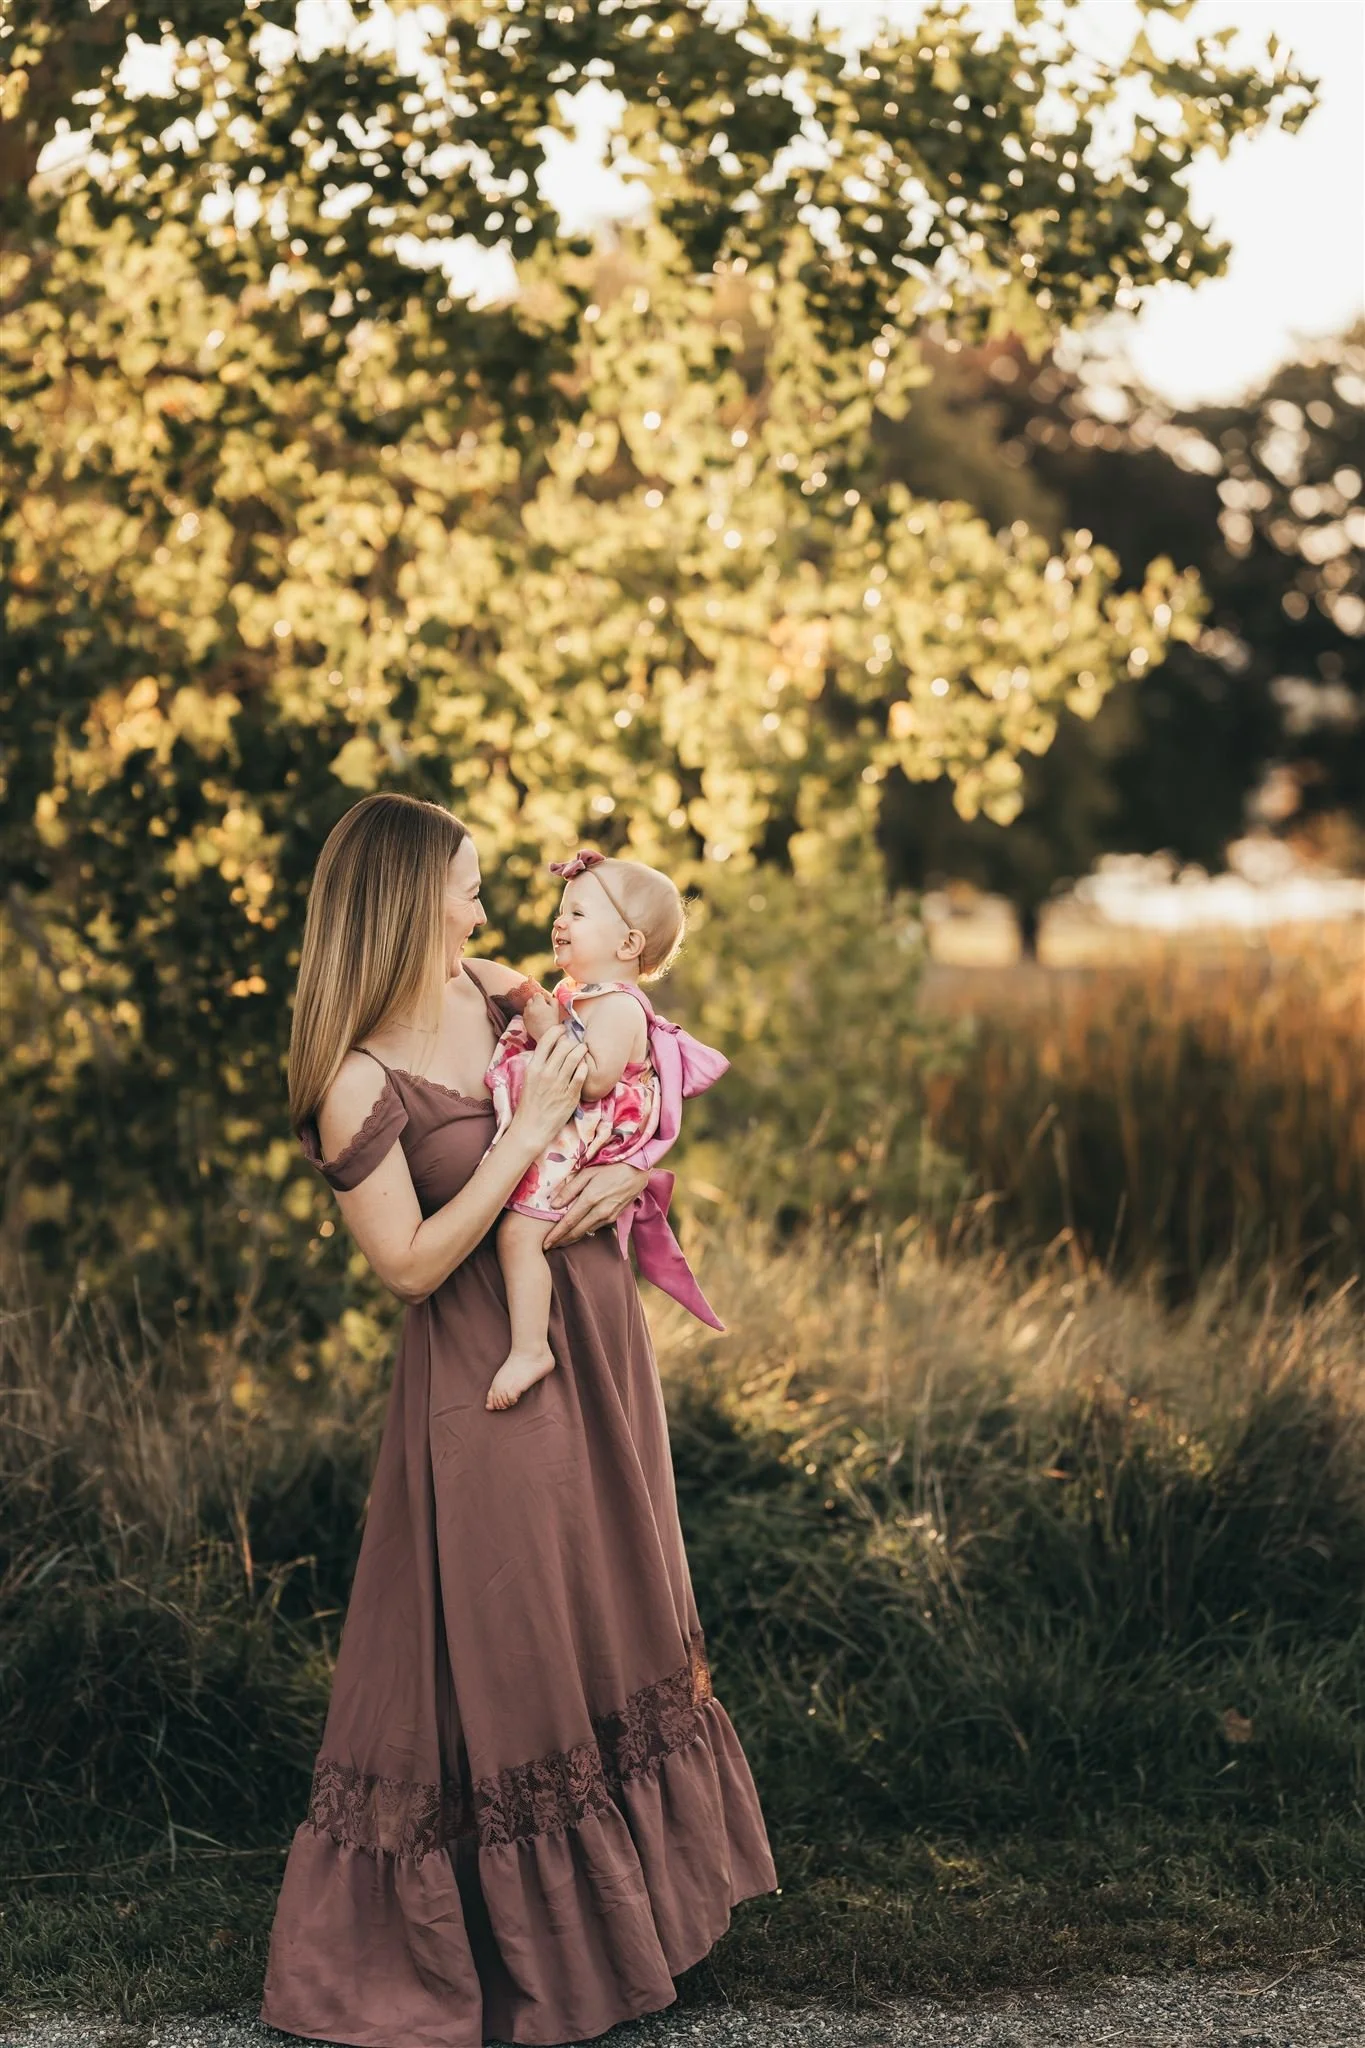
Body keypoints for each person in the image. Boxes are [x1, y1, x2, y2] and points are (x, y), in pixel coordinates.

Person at [260, 793, 778, 2048]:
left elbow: (621, 1083)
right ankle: (528, 1952)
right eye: (472, 882)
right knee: (517, 1631)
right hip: (485, 1368)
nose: (490, 905)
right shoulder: (353, 1080)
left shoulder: (494, 997)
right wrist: (528, 1139)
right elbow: (409, 1263)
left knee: (610, 1597)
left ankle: (641, 1922)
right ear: (408, 898)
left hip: (594, 1337)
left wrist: (629, 1172)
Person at [483, 846, 728, 1413]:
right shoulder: (584, 996)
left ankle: (529, 1349)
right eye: (562, 909)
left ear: (628, 945)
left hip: (580, 1140)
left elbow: (592, 1081)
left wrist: (545, 1027)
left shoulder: (619, 1007)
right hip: (563, 1133)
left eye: (579, 912)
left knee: (517, 1232)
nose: (559, 921)